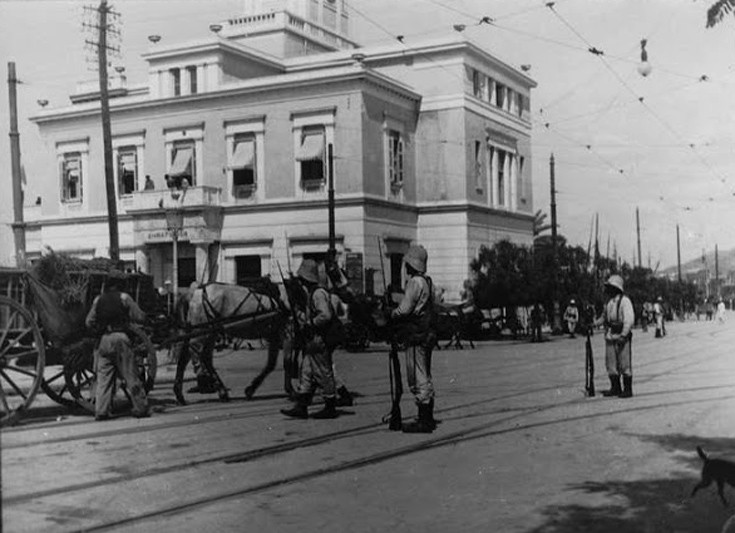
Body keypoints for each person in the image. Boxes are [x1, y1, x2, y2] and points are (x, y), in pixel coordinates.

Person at [85, 269, 150, 420]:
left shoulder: (98, 300)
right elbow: (139, 317)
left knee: (103, 378)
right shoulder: (124, 297)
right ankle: (140, 407)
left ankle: (101, 411)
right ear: (120, 284)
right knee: (130, 374)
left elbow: (89, 322)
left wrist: (99, 330)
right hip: (121, 339)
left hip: (104, 341)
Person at [281, 259, 341, 420]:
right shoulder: (312, 293)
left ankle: (330, 407)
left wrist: (310, 323)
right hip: (312, 341)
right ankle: (302, 406)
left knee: (324, 372)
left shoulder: (318, 294)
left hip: (319, 339)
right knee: (306, 372)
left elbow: (326, 315)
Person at [390, 244, 437, 433]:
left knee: (417, 376)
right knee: (424, 373)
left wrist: (392, 313)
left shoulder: (414, 283)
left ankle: (424, 420)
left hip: (415, 334)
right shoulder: (427, 282)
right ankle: (427, 416)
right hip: (426, 333)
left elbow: (405, 309)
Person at [599, 274, 635, 398]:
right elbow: (603, 318)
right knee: (611, 364)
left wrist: (624, 335)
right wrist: (592, 324)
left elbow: (628, 320)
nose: (607, 290)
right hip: (610, 336)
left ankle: (627, 389)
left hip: (621, 336)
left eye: (609, 287)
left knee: (624, 364)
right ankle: (615, 387)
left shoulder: (625, 301)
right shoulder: (609, 303)